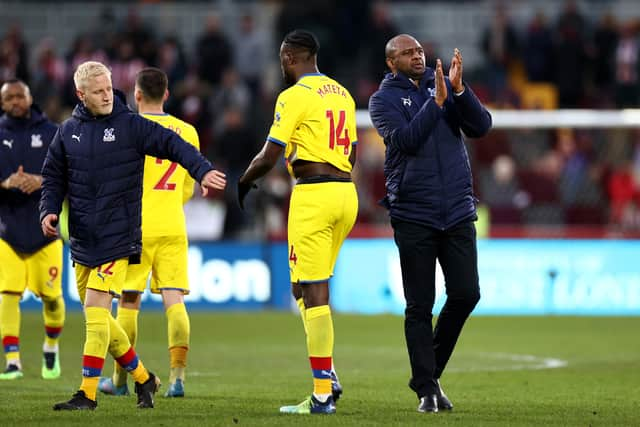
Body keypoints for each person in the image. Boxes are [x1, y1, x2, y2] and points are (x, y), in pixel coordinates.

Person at [39, 61, 226, 410]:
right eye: (98, 91)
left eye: (110, 87)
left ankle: (88, 393)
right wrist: (48, 209)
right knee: (100, 317)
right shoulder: (67, 132)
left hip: (119, 235)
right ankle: (145, 379)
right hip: (83, 238)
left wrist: (202, 170)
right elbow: (52, 178)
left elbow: (173, 144)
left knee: (97, 312)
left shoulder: (129, 125)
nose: (108, 95)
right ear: (81, 95)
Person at [368, 34, 492, 413]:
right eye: (407, 53)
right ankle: (427, 390)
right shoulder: (382, 101)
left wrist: (458, 91)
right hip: (414, 212)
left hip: (456, 208)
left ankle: (428, 374)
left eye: (419, 50)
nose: (416, 56)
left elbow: (481, 126)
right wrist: (436, 104)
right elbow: (405, 141)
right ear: (391, 63)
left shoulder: (441, 87)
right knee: (419, 305)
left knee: (467, 294)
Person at [238, 29, 358, 415]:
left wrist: (244, 181)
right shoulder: (342, 93)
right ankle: (330, 374)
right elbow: (352, 151)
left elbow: (269, 154)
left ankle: (322, 395)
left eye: (281, 59)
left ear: (290, 57)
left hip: (314, 195)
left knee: (315, 289)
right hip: (345, 194)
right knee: (301, 287)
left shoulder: (293, 96)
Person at [97, 67, 198, 398]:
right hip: (172, 224)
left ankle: (120, 380)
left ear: (136, 95)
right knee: (175, 300)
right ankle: (178, 379)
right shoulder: (188, 131)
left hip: (135, 227)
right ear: (167, 94)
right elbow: (187, 187)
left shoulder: (126, 129)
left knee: (128, 301)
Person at [0, 79, 64, 380]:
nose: (15, 101)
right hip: (7, 230)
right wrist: (5, 184)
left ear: (30, 98)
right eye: (9, 97)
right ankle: (12, 361)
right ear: (2, 104)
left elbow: (70, 176)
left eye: (19, 96)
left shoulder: (52, 132)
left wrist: (42, 181)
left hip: (45, 232)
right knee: (8, 294)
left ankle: (51, 347)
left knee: (52, 299)